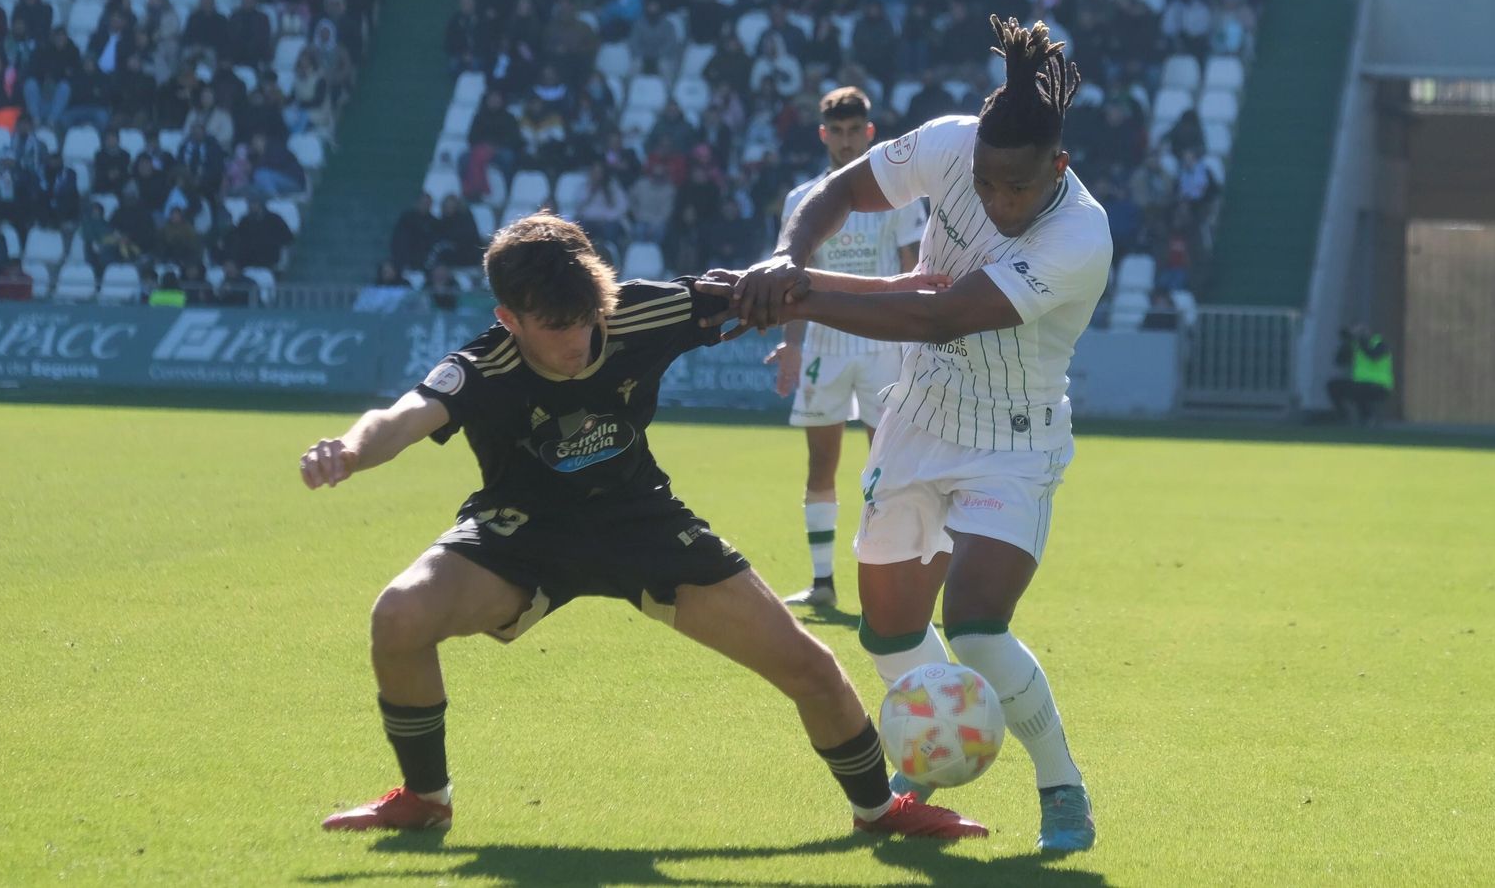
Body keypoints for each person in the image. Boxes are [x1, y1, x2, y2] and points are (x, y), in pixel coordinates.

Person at [301, 213, 986, 841]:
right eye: (555, 326)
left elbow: (772, 286)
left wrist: (890, 285)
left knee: (809, 665)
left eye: (585, 318)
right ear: (508, 318)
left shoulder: (638, 310)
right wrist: (350, 450)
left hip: (643, 523)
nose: (577, 340)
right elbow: (403, 417)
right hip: (523, 534)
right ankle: (426, 799)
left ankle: (879, 810)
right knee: (399, 615)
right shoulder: (482, 366)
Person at [725, 17, 1112, 854]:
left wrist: (798, 295)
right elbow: (840, 191)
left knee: (975, 624)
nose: (999, 202)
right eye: (986, 184)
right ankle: (937, 745)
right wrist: (788, 255)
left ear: (1058, 166)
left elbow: (938, 317)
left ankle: (1063, 788)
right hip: (917, 417)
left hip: (1013, 440)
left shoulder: (1081, 235)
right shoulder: (949, 144)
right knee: (890, 630)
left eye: (1017, 188)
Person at [764, 87, 923, 609]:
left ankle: (895, 584)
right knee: (820, 466)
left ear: (870, 132)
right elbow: (792, 279)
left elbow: (913, 272)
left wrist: (917, 343)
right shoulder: (802, 199)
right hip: (823, 346)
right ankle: (823, 584)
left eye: (856, 131)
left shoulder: (899, 196)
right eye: (838, 131)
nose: (847, 140)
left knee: (890, 468)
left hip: (883, 345)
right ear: (823, 135)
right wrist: (791, 345)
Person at [1326, 324, 1392, 425]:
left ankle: (1368, 418)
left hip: (1380, 385)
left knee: (1360, 390)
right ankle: (1343, 416)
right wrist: (1347, 343)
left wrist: (1361, 340)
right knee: (1333, 386)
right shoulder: (1356, 346)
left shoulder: (1380, 343)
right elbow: (1339, 361)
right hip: (1360, 383)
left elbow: (1373, 356)